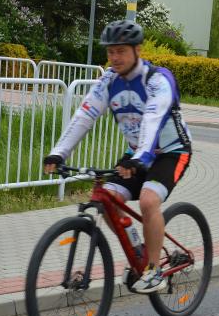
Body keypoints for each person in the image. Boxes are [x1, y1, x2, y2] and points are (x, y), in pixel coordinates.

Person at [43, 19, 192, 293]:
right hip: (136, 153)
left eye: (121, 51)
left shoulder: (158, 80)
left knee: (148, 200)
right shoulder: (109, 81)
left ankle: (154, 270)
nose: (114, 57)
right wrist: (58, 153)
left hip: (171, 151)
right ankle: (138, 250)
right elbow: (85, 115)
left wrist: (140, 158)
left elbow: (153, 119)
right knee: (107, 198)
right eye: (110, 51)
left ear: (138, 50)